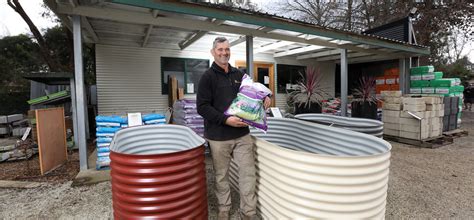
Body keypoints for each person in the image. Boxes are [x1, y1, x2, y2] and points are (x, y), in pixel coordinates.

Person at [197, 37, 271, 220]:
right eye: (220, 49)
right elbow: (202, 107)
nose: (224, 53)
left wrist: (265, 97)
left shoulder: (239, 75)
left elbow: (252, 91)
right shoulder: (207, 77)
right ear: (213, 52)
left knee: (248, 174)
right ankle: (224, 208)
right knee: (221, 176)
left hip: (242, 135)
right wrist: (225, 120)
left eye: (227, 49)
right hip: (218, 136)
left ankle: (249, 212)